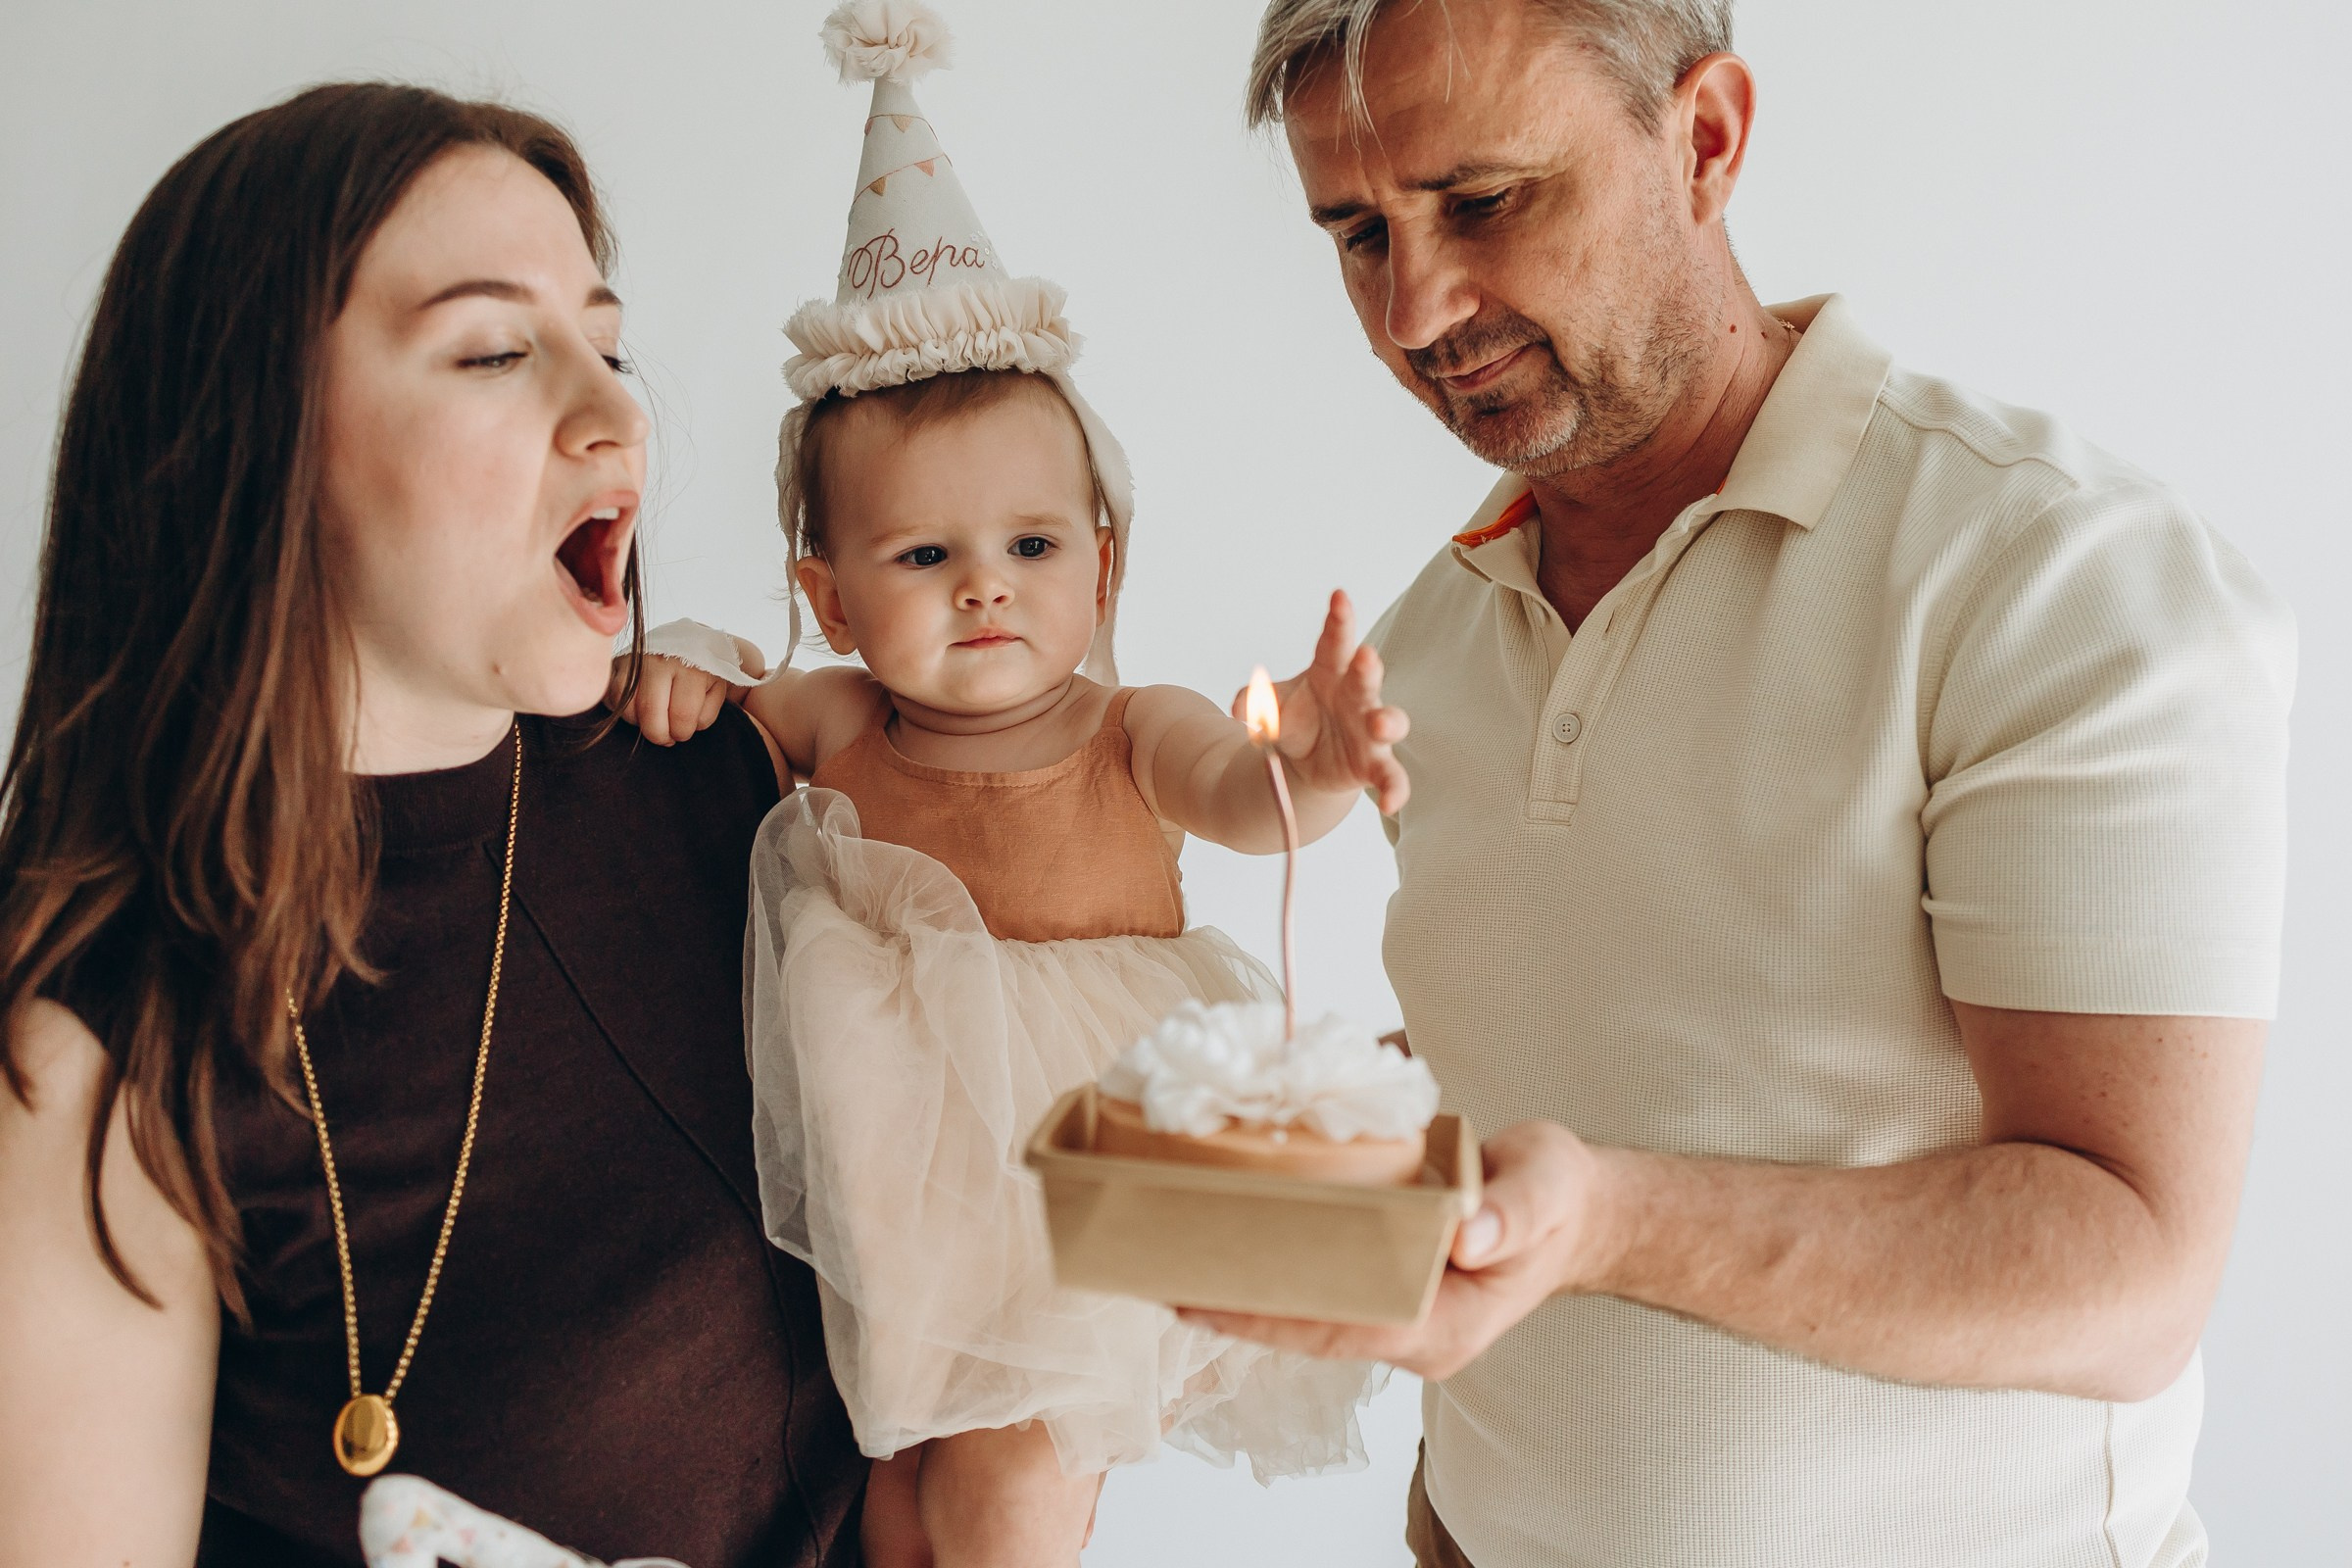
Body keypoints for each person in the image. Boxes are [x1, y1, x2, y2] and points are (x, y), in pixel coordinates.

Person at [1177, 3, 2296, 1567]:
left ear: (1704, 139)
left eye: (1482, 201)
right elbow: (1596, 1060)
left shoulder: (2051, 576)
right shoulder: (1424, 643)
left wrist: (1607, 1220)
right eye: (1359, 235)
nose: (1416, 308)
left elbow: (2134, 1276)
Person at [0, 83, 864, 1566]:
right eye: (493, 352)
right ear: (253, 439)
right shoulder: (99, 1066)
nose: (619, 416)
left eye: (606, 346)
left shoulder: (727, 789)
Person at [619, 8, 1398, 1566]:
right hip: (913, 1200)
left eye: (1031, 546)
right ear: (832, 598)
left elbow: (1242, 798)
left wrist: (1311, 766)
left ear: (1100, 566)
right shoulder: (839, 717)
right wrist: (685, 665)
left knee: (1019, 1483)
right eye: (923, 555)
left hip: (1093, 1171)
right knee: (903, 1487)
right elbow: (712, 721)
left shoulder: (1129, 726)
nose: (986, 587)